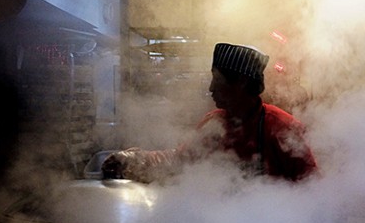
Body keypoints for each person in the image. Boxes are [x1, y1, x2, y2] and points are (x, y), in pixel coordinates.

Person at [102, 42, 318, 183]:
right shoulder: (214, 122)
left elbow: (312, 189)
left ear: (241, 83)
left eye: (217, 80)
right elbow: (180, 162)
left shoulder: (282, 128)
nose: (211, 88)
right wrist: (133, 160)